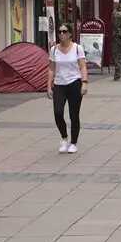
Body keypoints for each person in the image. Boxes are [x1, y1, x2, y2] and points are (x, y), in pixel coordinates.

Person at [47, 23, 88, 154]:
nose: (61, 34)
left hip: (74, 83)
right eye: (59, 32)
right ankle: (64, 138)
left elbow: (82, 67)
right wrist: (49, 86)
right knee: (58, 112)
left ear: (70, 33)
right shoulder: (54, 49)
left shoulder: (77, 48)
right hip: (59, 84)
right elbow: (51, 68)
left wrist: (84, 82)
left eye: (64, 32)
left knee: (73, 115)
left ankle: (73, 143)